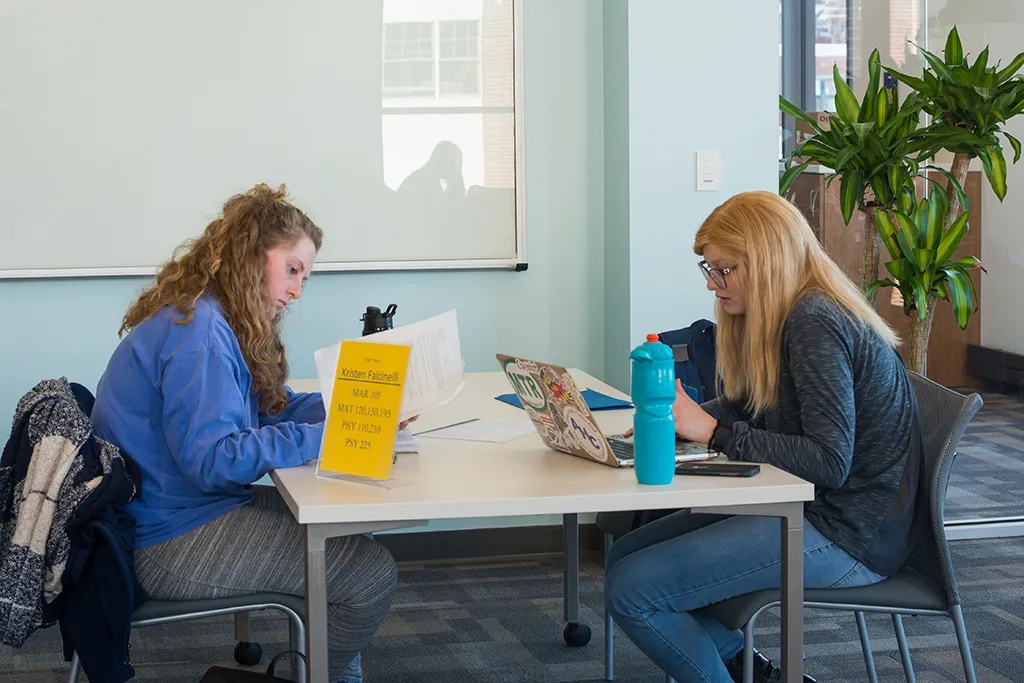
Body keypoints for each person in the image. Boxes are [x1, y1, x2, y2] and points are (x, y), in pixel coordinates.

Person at [604, 191, 923, 683]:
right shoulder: (787, 314)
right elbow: (749, 407)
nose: (713, 284)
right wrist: (686, 422)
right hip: (807, 508)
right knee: (626, 556)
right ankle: (750, 670)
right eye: (707, 269)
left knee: (632, 589)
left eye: (724, 269)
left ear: (768, 260)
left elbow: (827, 460)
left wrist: (712, 432)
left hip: (846, 533)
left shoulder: (816, 321)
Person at [91, 183, 402, 683]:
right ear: (252, 257)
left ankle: (331, 675)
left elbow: (264, 409)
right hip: (168, 540)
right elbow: (214, 459)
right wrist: (332, 433)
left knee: (344, 528)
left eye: (306, 275)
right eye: (292, 268)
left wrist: (350, 407)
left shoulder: (209, 315)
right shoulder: (200, 335)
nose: (298, 289)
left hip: (175, 512)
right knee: (370, 576)